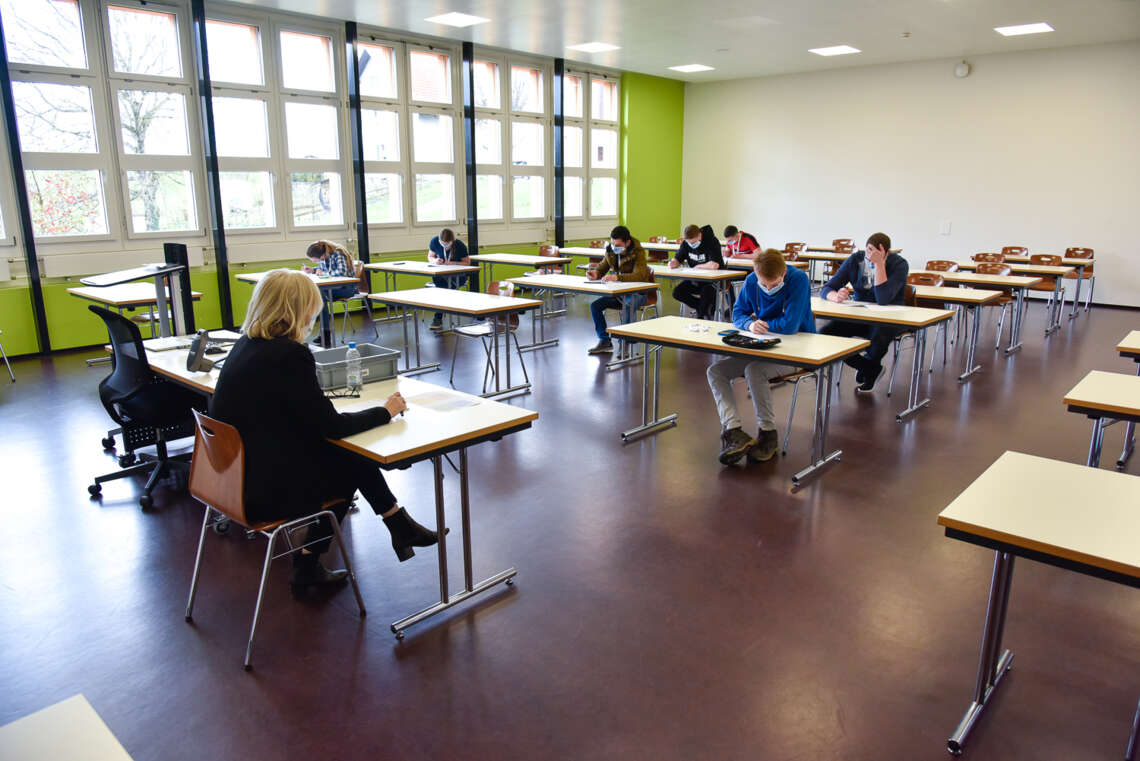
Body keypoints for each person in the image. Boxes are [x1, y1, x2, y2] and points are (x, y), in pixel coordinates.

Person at [210, 270, 441, 587]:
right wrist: (385, 411)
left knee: (345, 456)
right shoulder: (289, 354)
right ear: (299, 309)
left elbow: (288, 412)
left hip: (228, 479)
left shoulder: (246, 345)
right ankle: (315, 564)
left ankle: (396, 524)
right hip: (260, 493)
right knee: (351, 461)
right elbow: (332, 426)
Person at [706, 249, 816, 465]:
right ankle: (734, 431)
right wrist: (749, 324)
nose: (768, 289)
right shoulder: (751, 281)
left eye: (774, 284)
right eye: (763, 284)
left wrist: (762, 325)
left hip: (798, 352)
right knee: (715, 371)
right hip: (762, 347)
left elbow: (790, 325)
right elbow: (737, 313)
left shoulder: (798, 280)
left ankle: (768, 435)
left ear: (783, 273)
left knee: (754, 370)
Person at [818, 232, 909, 393]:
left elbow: (883, 299)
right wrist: (836, 296)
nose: (870, 258)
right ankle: (869, 368)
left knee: (878, 337)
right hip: (861, 314)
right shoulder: (856, 259)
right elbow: (827, 288)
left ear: (887, 253)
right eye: (869, 253)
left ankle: (869, 367)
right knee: (826, 333)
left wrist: (879, 265)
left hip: (891, 318)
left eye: (876, 255)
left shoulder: (899, 264)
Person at [585, 225, 651, 355]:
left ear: (628, 242)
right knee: (595, 306)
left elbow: (640, 275)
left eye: (618, 245)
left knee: (628, 304)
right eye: (613, 244)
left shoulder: (638, 252)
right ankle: (604, 341)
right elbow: (602, 267)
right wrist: (596, 273)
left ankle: (625, 342)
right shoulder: (611, 250)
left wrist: (617, 277)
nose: (615, 247)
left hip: (638, 293)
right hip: (618, 293)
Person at [303, 240, 358, 346]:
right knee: (318, 294)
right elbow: (326, 270)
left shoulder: (338, 253)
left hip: (347, 288)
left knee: (319, 295)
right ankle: (325, 333)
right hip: (334, 288)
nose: (317, 262)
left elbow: (341, 272)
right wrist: (313, 270)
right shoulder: (326, 256)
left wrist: (323, 273)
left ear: (322, 255)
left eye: (316, 260)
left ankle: (325, 334)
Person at [668, 224, 724, 319]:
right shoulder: (686, 243)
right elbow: (678, 258)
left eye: (693, 242)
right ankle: (700, 307)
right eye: (689, 243)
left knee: (706, 292)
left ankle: (701, 315)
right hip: (696, 279)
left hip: (713, 281)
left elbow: (714, 265)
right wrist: (673, 262)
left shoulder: (711, 241)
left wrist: (698, 266)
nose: (692, 245)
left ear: (699, 235)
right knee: (677, 292)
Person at [427, 228, 471, 330]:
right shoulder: (435, 241)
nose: (445, 245)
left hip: (458, 276)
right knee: (442, 290)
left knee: (442, 292)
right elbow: (430, 256)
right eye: (443, 243)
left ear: (452, 241)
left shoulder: (459, 245)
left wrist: (451, 263)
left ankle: (437, 318)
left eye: (447, 243)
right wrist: (435, 261)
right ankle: (440, 315)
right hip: (441, 276)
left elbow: (467, 263)